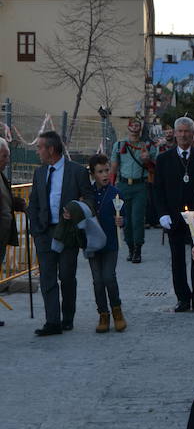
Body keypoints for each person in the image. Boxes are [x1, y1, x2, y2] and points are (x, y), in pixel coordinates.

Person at [27, 131, 94, 336]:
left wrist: (75, 211)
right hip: (45, 233)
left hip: (67, 233)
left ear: (51, 149)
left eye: (40, 147)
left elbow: (90, 200)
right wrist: (36, 229)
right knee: (47, 277)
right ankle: (52, 322)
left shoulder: (77, 172)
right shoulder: (39, 173)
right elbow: (34, 202)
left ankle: (67, 317)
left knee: (66, 276)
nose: (38, 151)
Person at [154, 117, 194, 312]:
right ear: (175, 133)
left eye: (187, 131)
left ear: (193, 133)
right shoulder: (163, 159)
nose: (183, 135)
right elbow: (158, 189)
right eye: (179, 131)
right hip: (174, 216)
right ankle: (182, 298)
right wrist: (162, 213)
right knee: (177, 258)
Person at [87, 154, 127, 333]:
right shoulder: (87, 193)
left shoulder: (115, 193)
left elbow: (123, 214)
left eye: (106, 170)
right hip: (92, 242)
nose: (104, 175)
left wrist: (122, 221)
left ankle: (117, 311)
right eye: (100, 171)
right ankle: (103, 313)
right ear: (93, 174)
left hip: (110, 241)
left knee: (109, 277)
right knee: (97, 281)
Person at [110, 119, 158, 263]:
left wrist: (147, 160)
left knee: (137, 219)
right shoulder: (119, 145)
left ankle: (138, 249)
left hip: (140, 186)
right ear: (128, 127)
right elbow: (113, 167)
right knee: (126, 219)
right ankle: (130, 247)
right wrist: (111, 188)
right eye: (133, 125)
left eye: (138, 125)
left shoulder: (148, 146)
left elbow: (154, 168)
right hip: (123, 185)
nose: (135, 128)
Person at [0, 137, 27, 326]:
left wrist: (20, 204)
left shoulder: (1, 175)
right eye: (4, 156)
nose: (7, 160)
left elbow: (6, 200)